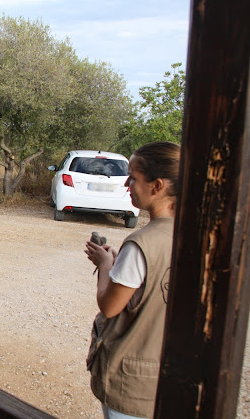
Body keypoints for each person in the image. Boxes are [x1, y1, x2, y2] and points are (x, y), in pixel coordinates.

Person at [84, 141, 180, 419]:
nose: (127, 184)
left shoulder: (140, 243)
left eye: (133, 178)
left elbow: (110, 306)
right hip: (167, 376)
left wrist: (105, 264)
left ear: (157, 186)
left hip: (131, 384)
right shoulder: (193, 236)